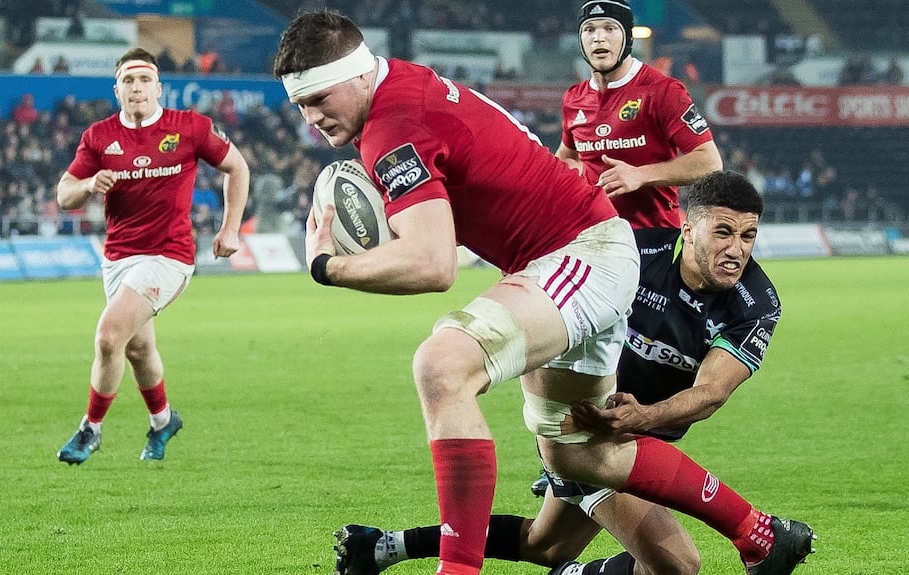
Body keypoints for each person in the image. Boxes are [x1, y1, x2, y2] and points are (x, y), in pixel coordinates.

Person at [273, 11, 809, 575]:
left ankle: (455, 570)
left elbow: (433, 265)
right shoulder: (403, 92)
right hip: (582, 252)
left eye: (319, 97)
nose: (311, 117)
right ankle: (758, 534)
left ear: (358, 74)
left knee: (442, 365)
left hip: (581, 251)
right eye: (299, 104)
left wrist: (326, 267)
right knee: (583, 451)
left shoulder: (393, 125)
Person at [332, 172, 817, 575]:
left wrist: (643, 417)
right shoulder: (630, 256)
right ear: (688, 228)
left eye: (748, 236)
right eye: (724, 232)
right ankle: (757, 533)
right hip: (583, 425)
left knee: (547, 546)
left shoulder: (755, 304)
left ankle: (381, 547)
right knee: (677, 567)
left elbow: (711, 392)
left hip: (638, 437)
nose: (737, 249)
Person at [55, 47, 250, 465]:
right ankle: (163, 422)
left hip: (169, 257)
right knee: (137, 349)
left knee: (109, 336)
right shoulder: (99, 137)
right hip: (118, 259)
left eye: (144, 80)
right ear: (117, 90)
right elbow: (64, 194)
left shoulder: (190, 128)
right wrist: (89, 184)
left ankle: (91, 430)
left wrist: (230, 227)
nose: (137, 88)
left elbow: (238, 167)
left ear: (159, 87)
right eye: (128, 81)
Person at [556, 0, 722, 230]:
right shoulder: (574, 97)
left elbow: (710, 162)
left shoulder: (663, 91)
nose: (598, 37)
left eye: (609, 28)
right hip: (592, 236)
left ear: (627, 37)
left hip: (651, 238)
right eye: (589, 29)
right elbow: (567, 157)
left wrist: (640, 175)